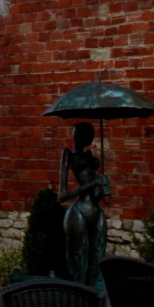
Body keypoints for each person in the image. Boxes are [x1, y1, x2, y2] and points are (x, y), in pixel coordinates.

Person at [58, 122, 110, 287]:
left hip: (95, 210)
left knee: (97, 260)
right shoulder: (69, 156)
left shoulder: (90, 158)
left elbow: (96, 196)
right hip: (78, 212)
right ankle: (79, 303)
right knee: (80, 264)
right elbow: (63, 195)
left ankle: (93, 303)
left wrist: (103, 188)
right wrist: (92, 185)